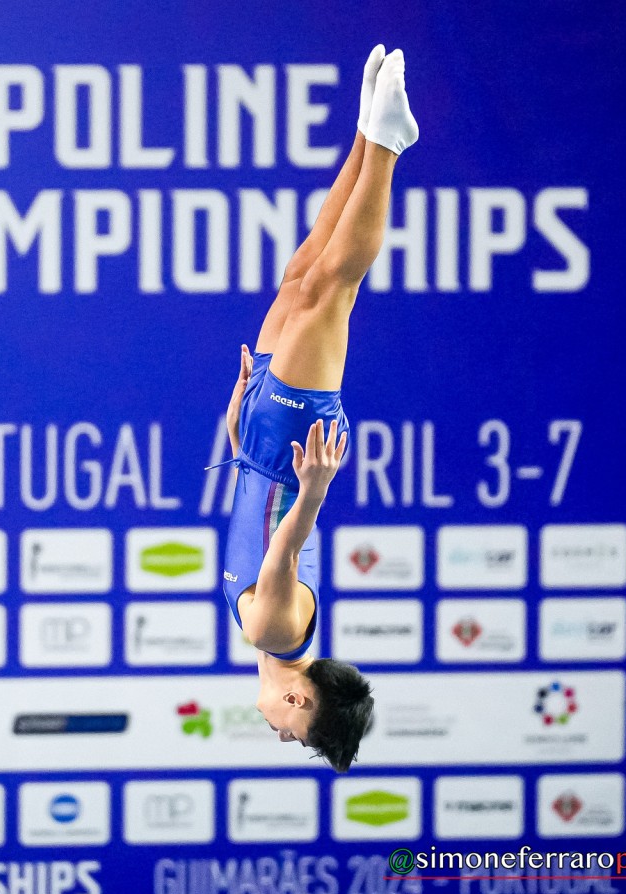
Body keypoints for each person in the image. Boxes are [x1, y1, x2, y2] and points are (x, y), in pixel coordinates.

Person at [219, 44, 419, 772]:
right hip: (294, 451)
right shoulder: (274, 633)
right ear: (302, 701)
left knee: (301, 276)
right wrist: (313, 488)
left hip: (263, 446)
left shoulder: (279, 636)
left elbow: (251, 518)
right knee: (334, 286)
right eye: (297, 736)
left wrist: (237, 428)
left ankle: (367, 131)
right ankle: (387, 146)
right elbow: (283, 543)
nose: (283, 733)